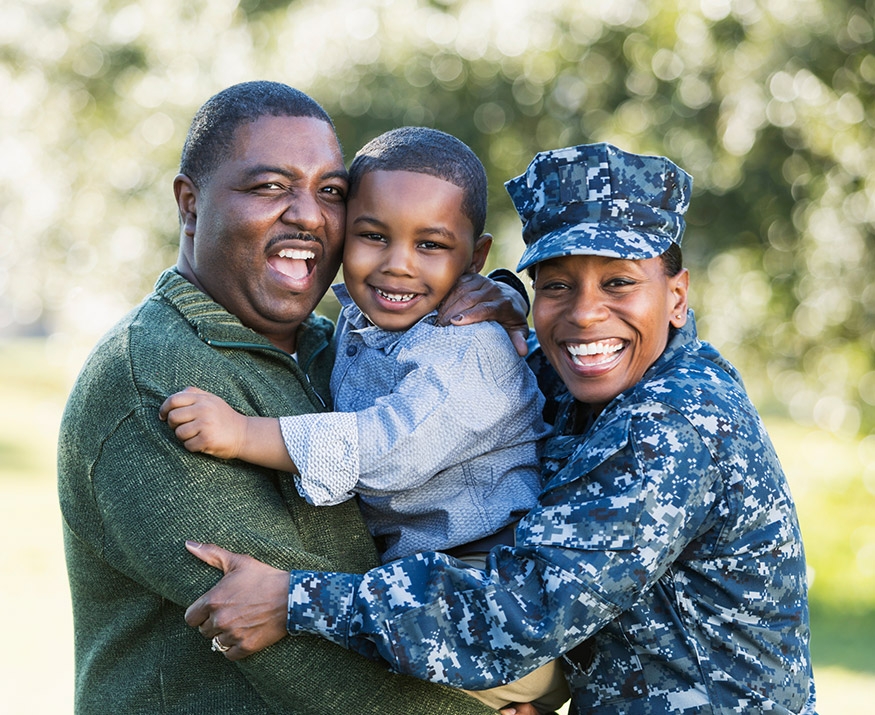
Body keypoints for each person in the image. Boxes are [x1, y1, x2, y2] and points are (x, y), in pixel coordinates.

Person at [182, 143, 816, 714]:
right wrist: (497, 297)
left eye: (619, 283)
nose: (586, 315)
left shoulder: (674, 424)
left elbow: (523, 611)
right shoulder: (574, 373)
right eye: (558, 286)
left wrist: (296, 600)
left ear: (677, 296)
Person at [57, 80, 531, 715]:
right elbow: (306, 656)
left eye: (329, 192)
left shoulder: (332, 344)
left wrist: (504, 297)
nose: (308, 215)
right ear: (190, 204)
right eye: (269, 187)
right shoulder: (156, 380)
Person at [159, 126, 567, 713]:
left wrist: (246, 434)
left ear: (474, 258)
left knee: (353, 673)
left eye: (430, 245)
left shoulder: (467, 351)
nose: (396, 266)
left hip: (484, 597)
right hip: (421, 588)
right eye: (372, 236)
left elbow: (382, 447)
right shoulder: (359, 319)